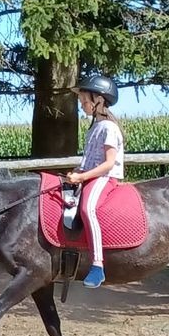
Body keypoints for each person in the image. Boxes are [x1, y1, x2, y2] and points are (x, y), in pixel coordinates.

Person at [65, 73, 125, 288]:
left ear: (99, 100)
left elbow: (109, 163)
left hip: (105, 178)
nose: (82, 105)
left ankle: (98, 265)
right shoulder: (95, 128)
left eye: (84, 101)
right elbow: (89, 160)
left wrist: (82, 176)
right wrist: (76, 172)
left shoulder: (109, 128)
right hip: (90, 175)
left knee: (87, 209)